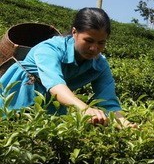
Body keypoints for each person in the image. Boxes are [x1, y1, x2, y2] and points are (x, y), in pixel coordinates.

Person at [0, 7, 136, 128]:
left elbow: (109, 101)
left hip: (52, 103)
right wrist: (85, 109)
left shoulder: (100, 65)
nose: (94, 48)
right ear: (74, 32)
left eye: (101, 43)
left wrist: (124, 123)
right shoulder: (50, 48)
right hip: (18, 92)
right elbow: (55, 84)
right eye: (88, 40)